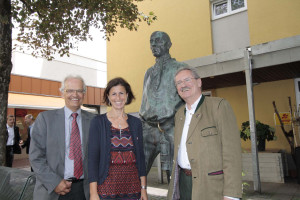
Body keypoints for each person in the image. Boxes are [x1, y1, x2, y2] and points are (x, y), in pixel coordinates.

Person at [167, 67, 242, 200]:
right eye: (179, 83)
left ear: (199, 82)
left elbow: (232, 154)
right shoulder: (179, 115)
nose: (183, 85)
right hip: (183, 184)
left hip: (210, 187)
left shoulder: (219, 106)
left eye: (187, 80)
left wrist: (231, 194)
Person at [29, 75, 95, 200]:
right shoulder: (45, 119)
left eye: (79, 91)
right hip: (52, 190)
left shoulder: (94, 121)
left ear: (84, 94)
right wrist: (54, 183)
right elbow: (36, 157)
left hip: (85, 191)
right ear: (62, 93)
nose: (75, 94)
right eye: (70, 90)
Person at [89, 77, 147, 200]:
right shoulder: (98, 122)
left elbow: (141, 158)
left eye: (121, 93)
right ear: (108, 97)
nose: (118, 98)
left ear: (127, 95)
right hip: (106, 188)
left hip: (133, 188)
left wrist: (143, 189)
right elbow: (92, 160)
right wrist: (93, 193)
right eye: (114, 94)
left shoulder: (136, 123)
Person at [140, 31, 188, 180]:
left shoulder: (180, 68)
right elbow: (144, 101)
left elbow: (189, 98)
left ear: (169, 44)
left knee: (176, 178)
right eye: (151, 41)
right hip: (148, 129)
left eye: (159, 41)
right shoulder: (148, 72)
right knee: (137, 173)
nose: (154, 44)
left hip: (172, 128)